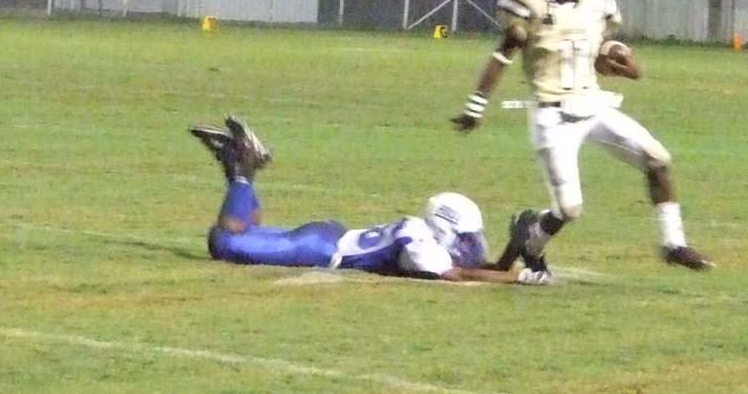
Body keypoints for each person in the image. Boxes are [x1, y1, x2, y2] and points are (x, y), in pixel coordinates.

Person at [450, 0, 711, 272]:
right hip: (552, 115)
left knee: (658, 159)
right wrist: (475, 107)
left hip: (593, 106)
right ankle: (530, 239)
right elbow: (502, 56)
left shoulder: (598, 6)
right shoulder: (527, 7)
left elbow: (596, 54)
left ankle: (674, 243)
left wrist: (617, 61)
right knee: (569, 208)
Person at [189, 116, 552, 285]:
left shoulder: (422, 233)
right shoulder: (423, 243)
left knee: (241, 233)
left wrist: (511, 251)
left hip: (327, 239)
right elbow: (460, 274)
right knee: (225, 241)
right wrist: (518, 277)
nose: (471, 244)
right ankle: (241, 170)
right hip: (321, 249)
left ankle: (240, 167)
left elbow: (475, 268)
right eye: (466, 237)